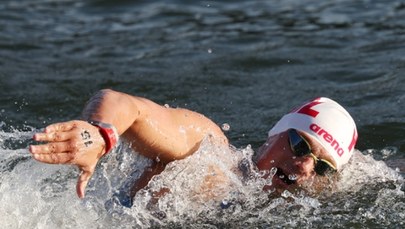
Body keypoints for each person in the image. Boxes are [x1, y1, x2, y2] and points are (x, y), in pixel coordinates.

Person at [29, 89, 358, 199]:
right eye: (300, 144)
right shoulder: (208, 154)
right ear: (274, 133)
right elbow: (125, 104)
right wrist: (98, 136)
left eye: (323, 166)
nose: (304, 165)